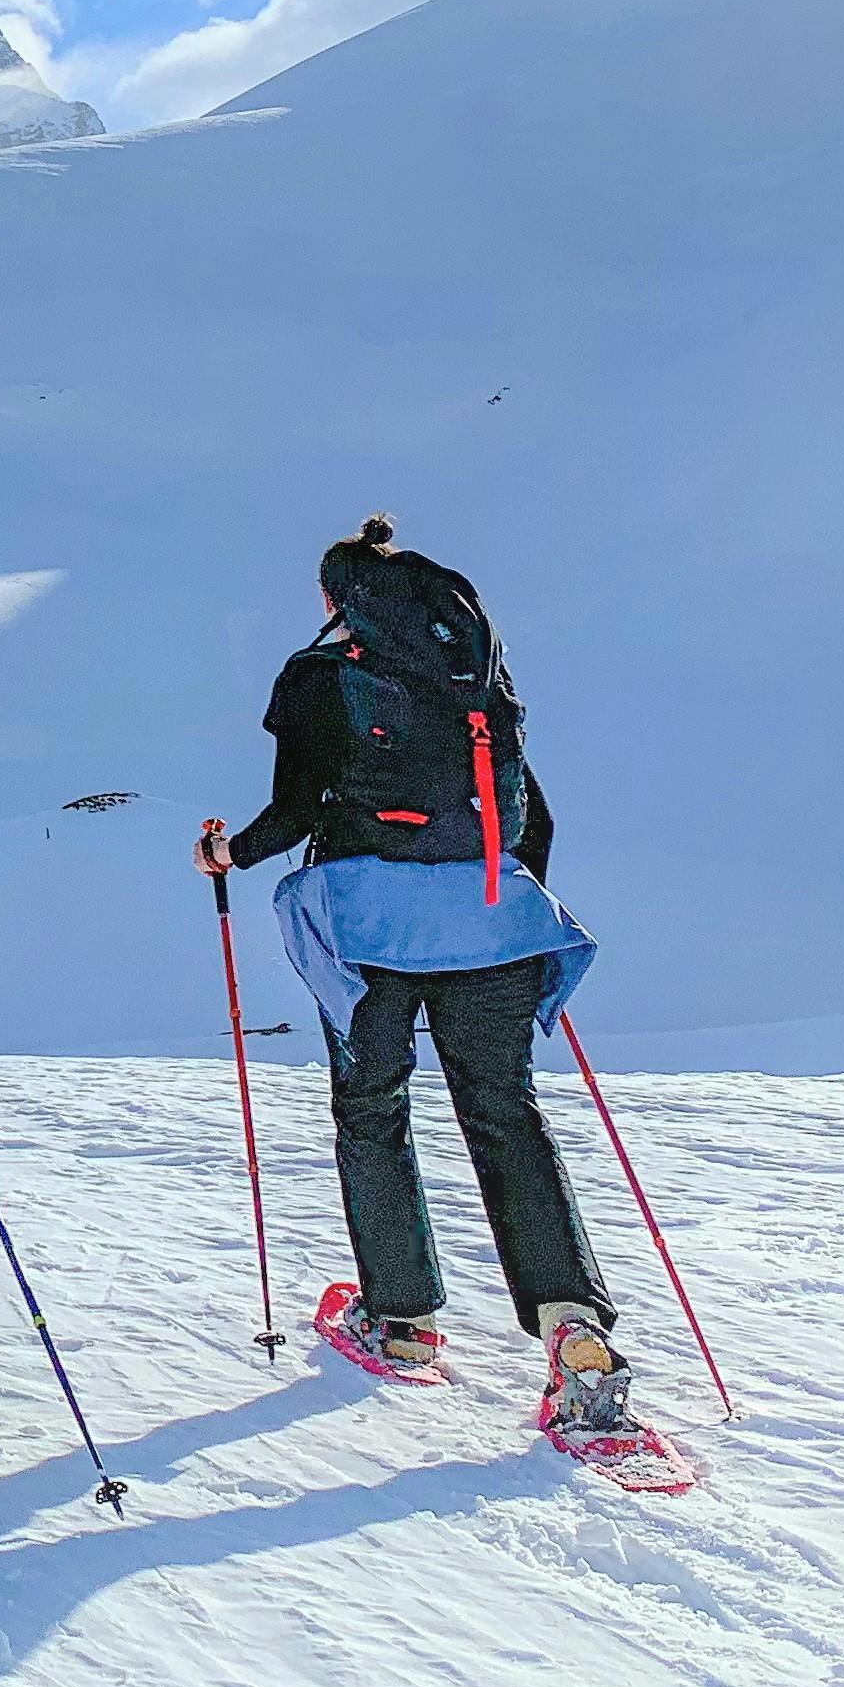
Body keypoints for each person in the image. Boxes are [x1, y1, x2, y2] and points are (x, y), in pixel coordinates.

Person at [193, 513, 630, 1430]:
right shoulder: (474, 671)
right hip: (489, 918)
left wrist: (229, 856)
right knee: (506, 1114)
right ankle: (573, 1331)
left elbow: (297, 804)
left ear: (333, 599)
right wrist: (504, 905)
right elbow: (526, 814)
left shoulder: (320, 676)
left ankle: (403, 1322)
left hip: (366, 930)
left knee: (373, 1108)